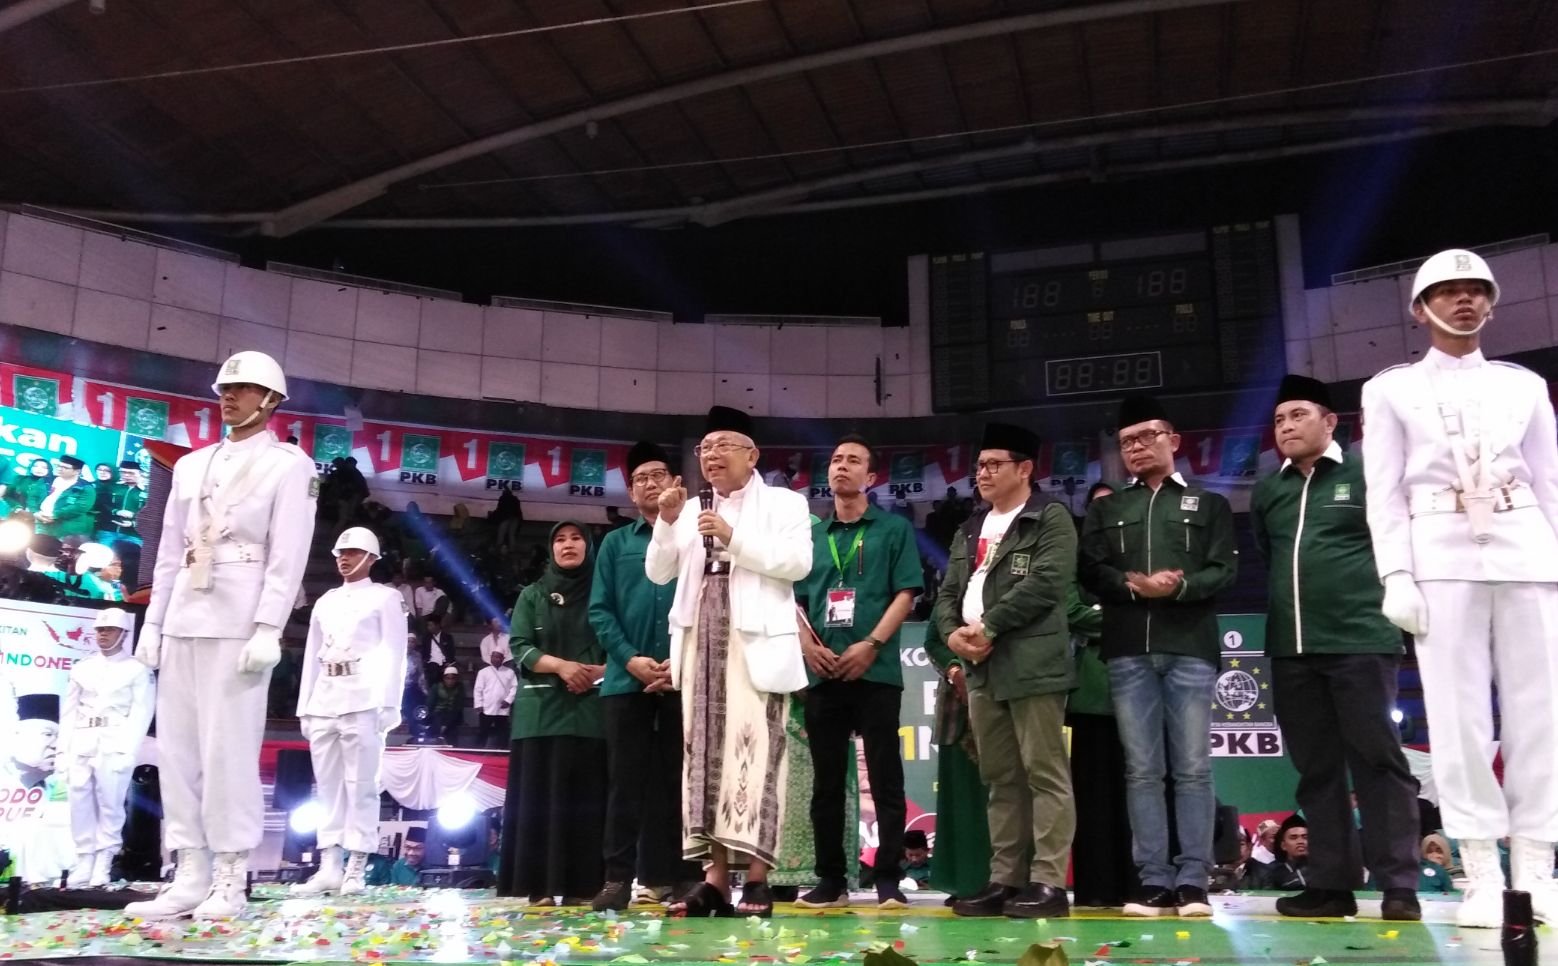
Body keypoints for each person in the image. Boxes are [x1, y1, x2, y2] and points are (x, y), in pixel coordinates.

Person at [1361, 249, 1558, 928]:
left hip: (1527, 546)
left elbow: (1549, 480)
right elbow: (1382, 493)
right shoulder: (1389, 389)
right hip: (1439, 551)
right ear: (1420, 309)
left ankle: (1536, 865)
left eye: (1477, 291)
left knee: (1541, 716)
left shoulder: (1524, 385)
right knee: (1457, 719)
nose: (1464, 301)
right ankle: (1481, 871)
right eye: (1447, 292)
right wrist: (1395, 572)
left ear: (1494, 304)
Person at [127, 350, 318, 919]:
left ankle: (231, 874)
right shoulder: (191, 465)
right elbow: (166, 553)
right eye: (223, 388)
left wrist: (268, 626)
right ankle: (189, 870)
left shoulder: (290, 464)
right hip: (185, 609)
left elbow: (288, 554)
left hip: (239, 621)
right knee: (179, 750)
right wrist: (154, 622)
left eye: (242, 388)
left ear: (272, 400)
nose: (228, 397)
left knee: (228, 749)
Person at [1250, 374, 1422, 922]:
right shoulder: (1270, 488)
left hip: (1360, 640)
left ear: (1331, 422)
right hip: (1292, 649)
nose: (1286, 427)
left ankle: (1399, 885)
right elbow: (1265, 551)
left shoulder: (1367, 473)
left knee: (1379, 762)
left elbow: (1399, 540)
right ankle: (1331, 884)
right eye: (1279, 419)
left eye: (1298, 415)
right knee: (1316, 770)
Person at [646, 405, 811, 918]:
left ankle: (758, 880)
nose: (711, 455)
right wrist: (666, 521)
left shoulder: (785, 503)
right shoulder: (692, 505)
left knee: (757, 754)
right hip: (701, 637)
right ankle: (714, 879)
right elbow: (658, 573)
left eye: (722, 445)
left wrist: (734, 537)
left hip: (755, 637)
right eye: (704, 448)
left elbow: (797, 564)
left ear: (751, 454)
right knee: (704, 758)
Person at [1079, 394, 1238, 918]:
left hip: (1190, 648)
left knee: (1192, 769)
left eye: (1148, 437)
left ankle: (1194, 880)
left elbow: (1223, 571)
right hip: (1127, 652)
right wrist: (1132, 586)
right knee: (1142, 771)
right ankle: (1153, 881)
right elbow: (1091, 571)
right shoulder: (1106, 508)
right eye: (1127, 442)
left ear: (1173, 439)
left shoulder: (1210, 504)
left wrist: (1178, 586)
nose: (1138, 448)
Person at [937, 421, 1078, 920]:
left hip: (1032, 662)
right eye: (979, 466)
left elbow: (1047, 583)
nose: (983, 474)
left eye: (994, 465)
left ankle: (1047, 882)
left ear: (1025, 469)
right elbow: (948, 593)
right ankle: (1005, 880)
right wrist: (954, 634)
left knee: (1044, 773)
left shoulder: (1050, 517)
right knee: (1000, 778)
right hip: (979, 668)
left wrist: (990, 626)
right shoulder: (970, 526)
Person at [794, 434, 923, 910]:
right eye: (834, 460)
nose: (841, 467)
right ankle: (830, 878)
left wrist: (871, 645)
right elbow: (794, 601)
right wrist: (807, 644)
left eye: (853, 461)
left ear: (871, 477)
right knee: (827, 782)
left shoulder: (893, 530)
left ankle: (887, 878)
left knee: (886, 777)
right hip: (824, 671)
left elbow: (906, 593)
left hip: (877, 669)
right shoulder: (811, 536)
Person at [588, 441, 696, 912]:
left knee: (681, 782)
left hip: (684, 677)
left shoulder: (696, 536)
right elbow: (600, 611)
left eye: (658, 475)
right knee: (624, 783)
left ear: (676, 484)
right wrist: (631, 659)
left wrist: (681, 662)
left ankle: (676, 877)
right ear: (632, 494)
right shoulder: (615, 543)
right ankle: (616, 878)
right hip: (624, 681)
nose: (650, 484)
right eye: (640, 480)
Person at [292, 527, 408, 896]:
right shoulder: (325, 600)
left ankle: (356, 865)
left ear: (372, 558)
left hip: (364, 694)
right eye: (341, 552)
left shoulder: (385, 598)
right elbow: (311, 655)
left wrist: (391, 703)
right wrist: (304, 707)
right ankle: (329, 865)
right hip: (325, 694)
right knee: (327, 786)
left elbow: (394, 652)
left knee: (361, 785)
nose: (344, 558)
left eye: (354, 552)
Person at [497, 521, 608, 905]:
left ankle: (582, 887)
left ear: (588, 546)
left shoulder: (604, 593)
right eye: (560, 539)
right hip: (540, 715)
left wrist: (601, 672)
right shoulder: (533, 594)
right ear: (550, 549)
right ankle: (539, 887)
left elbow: (618, 642)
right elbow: (520, 646)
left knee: (587, 802)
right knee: (538, 801)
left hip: (592, 714)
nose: (568, 545)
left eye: (577, 538)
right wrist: (563, 667)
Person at [1066, 481, 1136, 909]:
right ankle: (1094, 888)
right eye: (1097, 508)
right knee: (1091, 795)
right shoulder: (1075, 561)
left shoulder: (1141, 554)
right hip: (1090, 693)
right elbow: (1070, 611)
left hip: (1142, 689)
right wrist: (1126, 617)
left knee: (1140, 792)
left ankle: (1139, 884)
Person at [57, 608, 154, 888]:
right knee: (79, 802)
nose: (103, 634)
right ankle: (84, 858)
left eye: (110, 630)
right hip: (83, 738)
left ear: (123, 634)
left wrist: (128, 750)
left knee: (111, 804)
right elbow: (69, 713)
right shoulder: (82, 667)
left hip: (114, 740)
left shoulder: (137, 669)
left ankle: (104, 859)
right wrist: (63, 751)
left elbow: (141, 712)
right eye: (100, 630)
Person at [922, 607, 993, 903]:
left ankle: (1009, 880)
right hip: (957, 709)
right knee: (961, 798)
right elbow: (932, 640)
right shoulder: (955, 588)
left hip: (1007, 690)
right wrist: (955, 670)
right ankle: (965, 883)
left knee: (1008, 796)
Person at [34, 454, 97, 538]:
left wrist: (54, 515)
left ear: (77, 471)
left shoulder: (85, 488)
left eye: (65, 467)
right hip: (41, 522)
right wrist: (35, 512)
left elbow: (80, 507)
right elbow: (33, 497)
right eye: (58, 466)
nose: (60, 469)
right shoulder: (46, 480)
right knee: (37, 548)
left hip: (66, 528)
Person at [1252, 815, 1310, 890]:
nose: (1300, 841)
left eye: (1305, 837)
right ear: (1283, 845)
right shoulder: (1273, 875)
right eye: (1293, 837)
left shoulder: (1323, 869)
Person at [474, 650, 518, 749]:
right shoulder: (483, 672)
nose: (496, 659)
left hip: (502, 707)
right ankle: (477, 751)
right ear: (491, 658)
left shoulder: (510, 672)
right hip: (486, 707)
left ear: (503, 659)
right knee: (483, 731)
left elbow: (514, 687)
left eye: (498, 657)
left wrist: (508, 700)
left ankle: (501, 752)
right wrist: (478, 704)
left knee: (502, 732)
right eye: (494, 657)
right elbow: (478, 689)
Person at [99, 460, 147, 545]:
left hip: (133, 535)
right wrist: (116, 511)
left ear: (141, 473)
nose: (126, 475)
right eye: (123, 472)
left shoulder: (148, 491)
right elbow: (102, 505)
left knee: (130, 557)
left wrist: (133, 521)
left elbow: (151, 514)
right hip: (108, 531)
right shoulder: (111, 487)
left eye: (131, 473)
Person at [429, 666, 465, 745]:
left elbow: (459, 707)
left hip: (453, 715)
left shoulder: (459, 688)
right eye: (448, 678)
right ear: (444, 678)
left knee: (451, 732)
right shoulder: (436, 687)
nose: (450, 681)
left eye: (453, 679)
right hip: (437, 714)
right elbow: (430, 705)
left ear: (456, 679)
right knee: (436, 730)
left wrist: (446, 724)